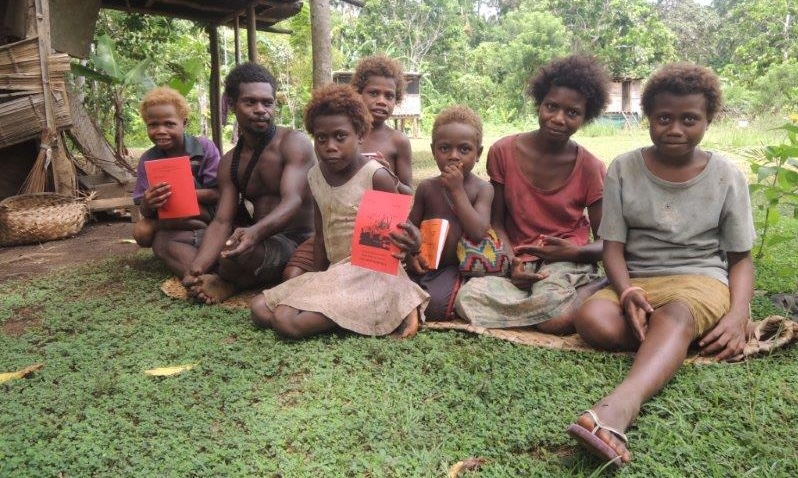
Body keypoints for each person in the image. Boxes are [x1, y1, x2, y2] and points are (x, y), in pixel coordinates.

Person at [567, 63, 755, 467]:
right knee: (592, 320)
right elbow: (612, 248)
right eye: (664, 118)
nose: (675, 129)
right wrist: (626, 291)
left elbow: (740, 259)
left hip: (699, 278)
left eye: (690, 119)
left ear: (708, 120)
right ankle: (672, 341)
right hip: (639, 279)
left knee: (676, 314)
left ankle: (619, 406)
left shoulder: (726, 176)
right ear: (648, 117)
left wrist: (739, 313)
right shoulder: (623, 168)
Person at [250, 84, 428, 339]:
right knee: (259, 308)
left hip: (369, 274)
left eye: (340, 137)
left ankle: (375, 307)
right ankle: (350, 315)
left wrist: (411, 253)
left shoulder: (376, 177)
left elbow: (394, 241)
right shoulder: (315, 176)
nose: (330, 146)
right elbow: (321, 235)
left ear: (360, 135)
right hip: (335, 272)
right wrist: (317, 281)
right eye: (321, 138)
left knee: (285, 320)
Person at [454, 54, 610, 334]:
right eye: (551, 106)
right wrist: (511, 262)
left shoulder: (591, 168)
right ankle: (544, 305)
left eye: (572, 113)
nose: (558, 118)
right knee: (467, 298)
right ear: (540, 103)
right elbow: (498, 223)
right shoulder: (503, 152)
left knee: (555, 321)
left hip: (565, 262)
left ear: (585, 118)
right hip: (517, 258)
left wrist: (573, 251)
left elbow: (606, 243)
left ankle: (596, 286)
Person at [171, 62, 315, 304]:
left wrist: (254, 233)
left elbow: (292, 201)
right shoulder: (230, 161)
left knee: (235, 253)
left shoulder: (293, 142)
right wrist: (198, 266)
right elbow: (222, 221)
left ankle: (228, 280)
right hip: (255, 237)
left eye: (267, 103)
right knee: (166, 242)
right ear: (232, 104)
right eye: (250, 102)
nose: (261, 110)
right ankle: (205, 277)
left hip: (296, 240)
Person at [281, 55, 414, 280]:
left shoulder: (397, 141)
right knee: (292, 275)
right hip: (332, 232)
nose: (382, 101)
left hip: (372, 235)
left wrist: (390, 177)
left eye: (389, 96)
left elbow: (408, 196)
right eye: (374, 93)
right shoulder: (335, 132)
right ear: (358, 94)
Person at [406, 105, 493, 320]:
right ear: (433, 150)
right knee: (390, 288)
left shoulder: (483, 189)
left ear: (478, 153)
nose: (454, 156)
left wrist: (457, 191)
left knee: (434, 306)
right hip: (424, 263)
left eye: (464, 150)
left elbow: (478, 231)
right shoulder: (427, 188)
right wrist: (410, 256)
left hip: (456, 267)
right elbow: (410, 228)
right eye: (445, 149)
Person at [132, 86, 220, 248]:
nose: (161, 131)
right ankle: (189, 228)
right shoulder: (147, 159)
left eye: (169, 124)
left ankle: (193, 229)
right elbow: (144, 209)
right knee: (141, 232)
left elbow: (218, 193)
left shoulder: (204, 148)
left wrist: (182, 195)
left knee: (180, 210)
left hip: (204, 211)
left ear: (184, 122)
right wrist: (148, 201)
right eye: (153, 125)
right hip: (166, 215)